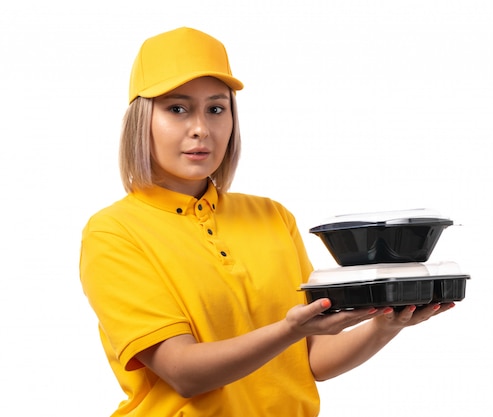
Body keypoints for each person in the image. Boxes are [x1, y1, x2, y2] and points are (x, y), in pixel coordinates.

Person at [79, 26, 455, 417]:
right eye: (177, 108)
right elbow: (183, 372)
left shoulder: (272, 216)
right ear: (143, 119)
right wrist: (290, 330)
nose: (201, 129)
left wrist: (385, 326)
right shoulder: (113, 233)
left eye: (216, 108)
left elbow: (311, 360)